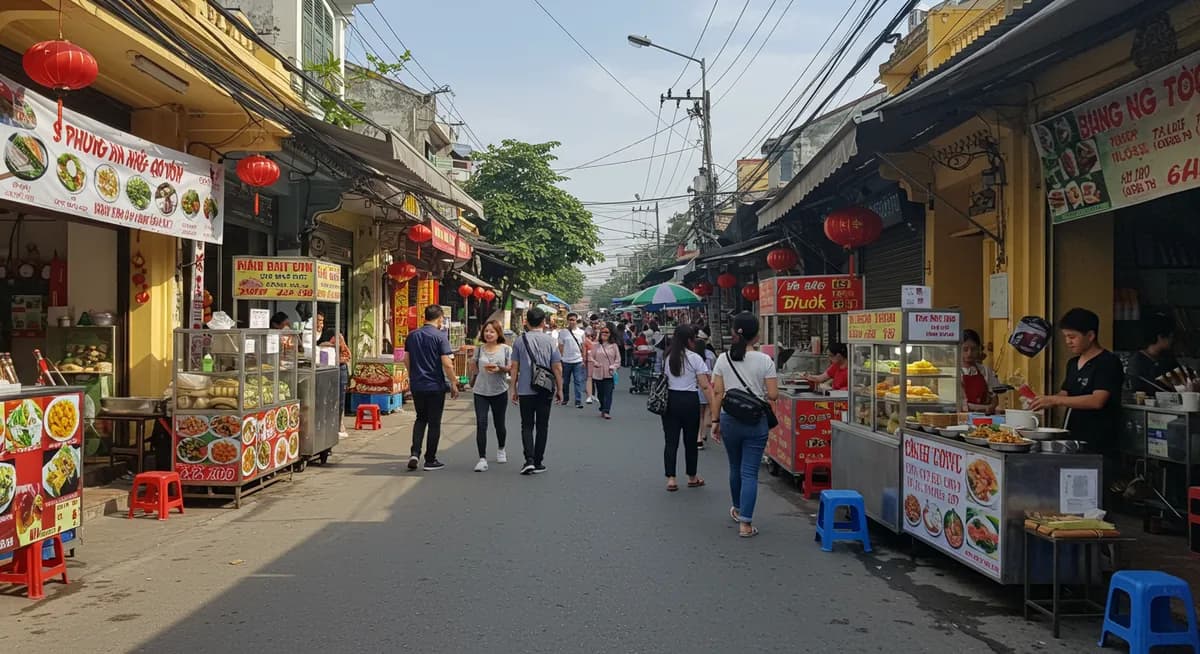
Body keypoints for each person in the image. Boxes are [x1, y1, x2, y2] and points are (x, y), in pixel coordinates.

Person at [1031, 308, 1124, 487]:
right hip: (1073, 439)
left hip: (1099, 441)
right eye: (1066, 337)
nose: (1068, 342)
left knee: (1095, 492)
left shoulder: (1108, 363)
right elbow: (1066, 393)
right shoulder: (1073, 364)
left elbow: (1097, 400)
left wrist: (1055, 400)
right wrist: (1043, 400)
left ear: (1090, 335)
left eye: (1072, 337)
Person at [712, 312, 778, 538]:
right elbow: (773, 394)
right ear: (757, 336)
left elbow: (718, 392)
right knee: (749, 471)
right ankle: (746, 524)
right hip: (755, 421)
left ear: (734, 333)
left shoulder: (723, 359)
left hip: (729, 419)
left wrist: (714, 421)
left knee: (735, 467)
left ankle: (738, 509)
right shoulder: (765, 360)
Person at [404, 305, 461, 471]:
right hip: (435, 386)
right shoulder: (440, 336)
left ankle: (415, 453)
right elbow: (447, 363)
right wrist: (453, 383)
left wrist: (412, 375)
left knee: (420, 418)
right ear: (440, 318)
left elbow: (406, 359)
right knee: (434, 423)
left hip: (417, 385)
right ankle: (430, 459)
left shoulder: (412, 335)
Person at [661, 325, 714, 492]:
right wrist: (714, 406)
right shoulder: (695, 358)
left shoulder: (667, 356)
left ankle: (671, 479)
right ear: (690, 340)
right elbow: (705, 386)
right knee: (690, 441)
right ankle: (692, 476)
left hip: (670, 400)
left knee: (671, 441)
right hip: (689, 400)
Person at [511, 307, 563, 475]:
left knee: (526, 425)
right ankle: (539, 461)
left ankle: (529, 460)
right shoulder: (550, 341)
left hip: (526, 389)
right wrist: (560, 388)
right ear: (543, 322)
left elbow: (514, 367)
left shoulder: (519, 341)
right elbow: (557, 367)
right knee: (542, 426)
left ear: (526, 321)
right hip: (545, 389)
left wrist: (513, 388)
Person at [468, 320, 512, 472]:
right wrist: (470, 376)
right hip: (480, 391)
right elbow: (473, 368)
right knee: (481, 423)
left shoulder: (506, 349)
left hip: (499, 390)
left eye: (492, 331)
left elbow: (510, 369)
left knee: (499, 424)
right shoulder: (479, 349)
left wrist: (500, 368)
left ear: (498, 333)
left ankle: (501, 448)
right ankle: (482, 458)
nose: (488, 334)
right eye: (486, 331)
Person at [1126, 312, 1179, 393]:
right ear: (1160, 337)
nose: (1172, 340)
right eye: (1171, 337)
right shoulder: (1137, 362)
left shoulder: (1167, 359)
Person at [961, 329, 1001, 413]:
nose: (969, 353)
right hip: (962, 417)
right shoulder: (954, 372)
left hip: (985, 417)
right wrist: (986, 407)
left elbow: (994, 398)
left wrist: (992, 407)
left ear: (979, 349)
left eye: (973, 349)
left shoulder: (985, 370)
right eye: (965, 349)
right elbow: (961, 404)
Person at [588, 321, 621, 419]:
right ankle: (602, 407)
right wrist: (595, 363)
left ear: (610, 334)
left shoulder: (614, 346)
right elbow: (591, 357)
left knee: (608, 393)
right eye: (603, 332)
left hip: (609, 373)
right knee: (601, 394)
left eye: (607, 332)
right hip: (598, 373)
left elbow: (618, 360)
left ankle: (606, 410)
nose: (605, 334)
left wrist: (614, 366)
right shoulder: (596, 345)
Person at [558, 312, 587, 408]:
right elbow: (560, 346)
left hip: (578, 361)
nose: (572, 322)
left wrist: (583, 359)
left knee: (578, 381)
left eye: (573, 320)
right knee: (565, 381)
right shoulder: (562, 333)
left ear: (576, 321)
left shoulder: (581, 333)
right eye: (570, 320)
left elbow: (583, 347)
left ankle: (578, 401)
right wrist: (560, 359)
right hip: (566, 361)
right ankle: (565, 399)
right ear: (567, 321)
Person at [695, 331, 717, 449]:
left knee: (698, 414)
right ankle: (703, 434)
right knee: (706, 410)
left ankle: (698, 437)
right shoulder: (710, 355)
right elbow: (714, 369)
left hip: (695, 387)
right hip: (708, 386)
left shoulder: (693, 356)